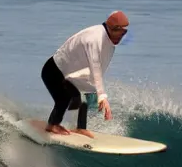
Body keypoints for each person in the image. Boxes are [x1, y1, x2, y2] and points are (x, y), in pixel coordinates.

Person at [41, 10, 130, 138]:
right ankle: (52, 125)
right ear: (111, 28)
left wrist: (96, 89)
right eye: (120, 33)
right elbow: (95, 66)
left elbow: (99, 68)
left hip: (69, 73)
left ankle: (80, 128)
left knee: (84, 92)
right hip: (54, 70)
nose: (121, 37)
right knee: (64, 98)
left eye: (124, 33)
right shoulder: (94, 39)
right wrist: (102, 96)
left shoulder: (108, 41)